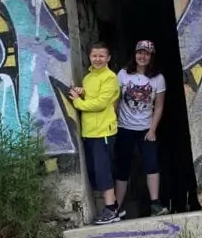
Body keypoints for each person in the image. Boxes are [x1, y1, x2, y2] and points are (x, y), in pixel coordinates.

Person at [114, 39, 169, 218]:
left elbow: (159, 106)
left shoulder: (157, 78)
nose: (142, 56)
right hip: (124, 127)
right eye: (140, 52)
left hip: (146, 128)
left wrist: (152, 129)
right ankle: (116, 207)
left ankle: (155, 203)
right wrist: (114, 121)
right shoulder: (123, 74)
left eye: (146, 53)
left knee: (152, 165)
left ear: (151, 57)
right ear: (134, 54)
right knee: (122, 167)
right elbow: (115, 100)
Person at [69, 42, 121, 225]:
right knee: (95, 172)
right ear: (89, 57)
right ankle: (111, 207)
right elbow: (91, 96)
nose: (98, 59)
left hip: (103, 132)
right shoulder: (89, 77)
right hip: (90, 132)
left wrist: (77, 102)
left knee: (103, 171)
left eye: (101, 56)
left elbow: (100, 104)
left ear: (108, 58)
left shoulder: (110, 77)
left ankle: (111, 209)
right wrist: (81, 92)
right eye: (94, 56)